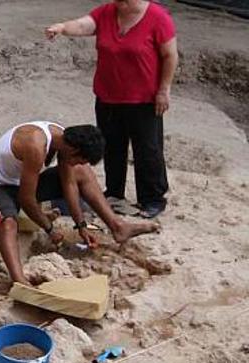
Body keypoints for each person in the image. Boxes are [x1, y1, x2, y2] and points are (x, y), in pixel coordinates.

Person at [0, 122, 158, 286]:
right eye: (80, 158)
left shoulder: (63, 139)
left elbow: (69, 182)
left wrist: (81, 225)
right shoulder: (35, 145)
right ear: (73, 150)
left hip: (22, 182)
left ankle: (117, 226)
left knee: (82, 172)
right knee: (8, 223)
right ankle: (19, 279)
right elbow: (26, 199)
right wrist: (49, 229)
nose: (78, 163)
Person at [45, 0, 178, 219]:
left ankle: (152, 198)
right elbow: (84, 25)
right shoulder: (107, 12)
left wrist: (164, 89)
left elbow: (170, 55)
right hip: (108, 95)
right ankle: (115, 192)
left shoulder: (158, 17)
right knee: (112, 146)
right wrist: (62, 27)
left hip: (143, 99)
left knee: (148, 149)